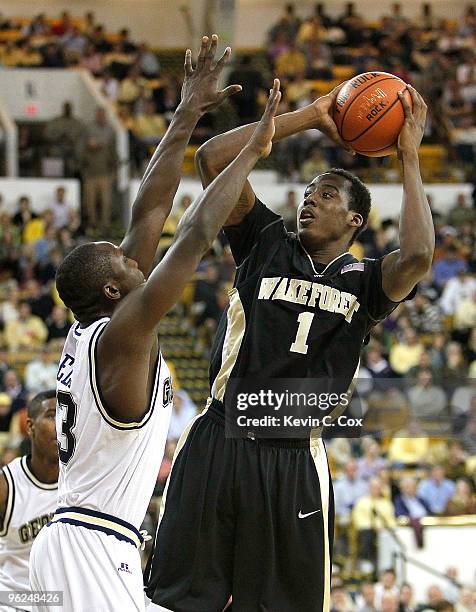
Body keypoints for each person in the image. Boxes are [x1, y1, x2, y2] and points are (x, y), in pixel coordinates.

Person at [145, 81, 434, 609]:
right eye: (307, 193)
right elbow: (213, 158)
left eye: (326, 195)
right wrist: (313, 115)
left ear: (354, 220)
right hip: (220, 435)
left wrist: (409, 158)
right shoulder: (266, 240)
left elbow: (417, 255)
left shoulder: (366, 283)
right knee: (177, 597)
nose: (309, 201)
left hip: (294, 455)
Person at [29, 35, 278, 612]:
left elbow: (150, 209)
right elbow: (191, 235)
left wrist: (188, 110)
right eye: (122, 258)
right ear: (114, 289)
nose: (133, 254)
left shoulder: (105, 326)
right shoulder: (121, 334)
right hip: (87, 547)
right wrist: (251, 154)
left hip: (84, 542)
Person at [0, 391, 58, 601]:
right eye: (52, 415)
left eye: (66, 415)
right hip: (14, 601)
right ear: (30, 426)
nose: (61, 423)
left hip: (63, 602)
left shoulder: (82, 481)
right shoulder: (7, 484)